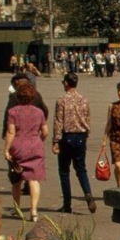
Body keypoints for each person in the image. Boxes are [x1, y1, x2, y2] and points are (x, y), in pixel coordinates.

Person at [3, 80, 48, 220]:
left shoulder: (13, 112)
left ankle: (17, 208)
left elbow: (10, 133)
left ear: (18, 96)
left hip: (18, 146)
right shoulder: (39, 112)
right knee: (34, 179)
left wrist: (6, 149)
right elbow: (45, 131)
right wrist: (39, 140)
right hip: (35, 145)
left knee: (16, 180)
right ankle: (33, 210)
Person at [52, 73, 95, 214]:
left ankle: (67, 204)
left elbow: (58, 121)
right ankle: (88, 192)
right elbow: (87, 119)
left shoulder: (62, 100)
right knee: (81, 169)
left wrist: (55, 141)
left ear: (66, 83)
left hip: (67, 137)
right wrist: (86, 135)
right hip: (81, 136)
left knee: (64, 171)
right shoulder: (84, 99)